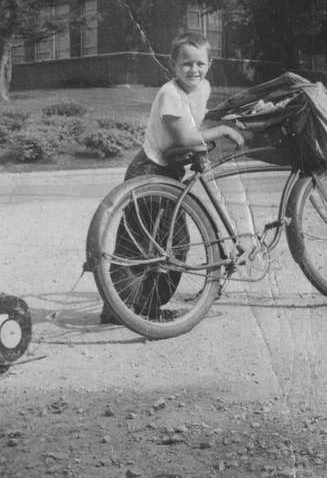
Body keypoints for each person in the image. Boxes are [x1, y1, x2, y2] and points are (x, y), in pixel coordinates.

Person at [101, 31, 245, 324]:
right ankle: (121, 310)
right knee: (140, 242)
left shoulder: (202, 87)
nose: (194, 70)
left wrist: (228, 116)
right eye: (186, 64)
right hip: (150, 170)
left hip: (171, 173)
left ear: (210, 63)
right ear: (173, 65)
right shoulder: (169, 93)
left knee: (175, 242)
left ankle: (146, 305)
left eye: (200, 64)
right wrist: (222, 131)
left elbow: (196, 115)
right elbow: (184, 136)